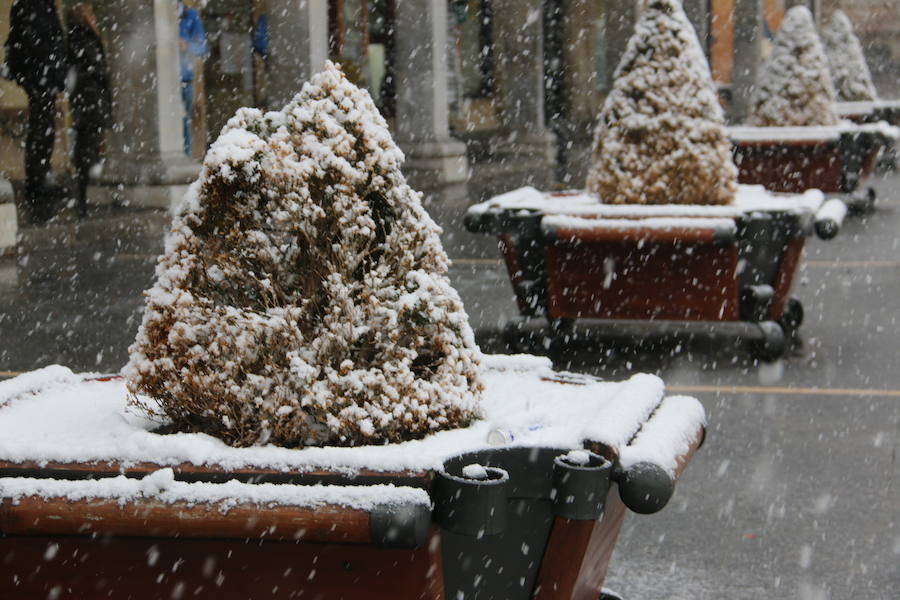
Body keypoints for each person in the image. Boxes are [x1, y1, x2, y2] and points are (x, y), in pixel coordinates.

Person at [4, 0, 68, 223]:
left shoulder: (38, 5)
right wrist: (46, 69)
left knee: (44, 127)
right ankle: (37, 180)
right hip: (39, 74)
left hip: (42, 74)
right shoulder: (30, 6)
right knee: (42, 127)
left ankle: (40, 178)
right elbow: (34, 40)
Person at [66, 3, 112, 217]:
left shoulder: (79, 38)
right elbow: (93, 66)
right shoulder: (83, 38)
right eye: (91, 15)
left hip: (88, 100)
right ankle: (83, 199)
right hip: (89, 100)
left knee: (88, 147)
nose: (94, 19)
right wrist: (101, 74)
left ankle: (84, 198)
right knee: (88, 148)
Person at [178, 0, 208, 157]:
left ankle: (186, 157)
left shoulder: (190, 15)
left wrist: (186, 46)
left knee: (184, 123)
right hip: (163, 81)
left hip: (184, 79)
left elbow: (202, 47)